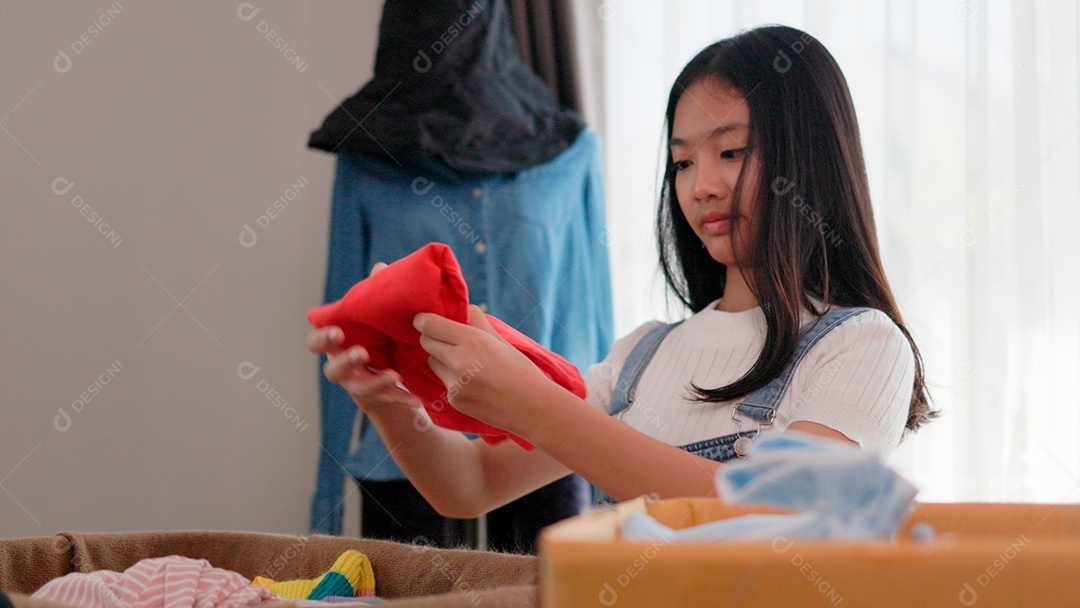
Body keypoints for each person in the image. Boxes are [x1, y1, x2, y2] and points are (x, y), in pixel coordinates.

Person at [307, 25, 935, 515]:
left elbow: (777, 515)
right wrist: (393, 404)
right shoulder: (642, 357)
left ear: (811, 157)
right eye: (683, 163)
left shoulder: (861, 345)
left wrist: (537, 406)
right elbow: (470, 486)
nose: (702, 187)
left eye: (731, 151)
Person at [306, 0, 613, 551]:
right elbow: (341, 324)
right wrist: (322, 512)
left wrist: (609, 468)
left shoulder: (569, 159)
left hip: (542, 446)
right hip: (405, 448)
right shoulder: (365, 166)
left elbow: (592, 310)